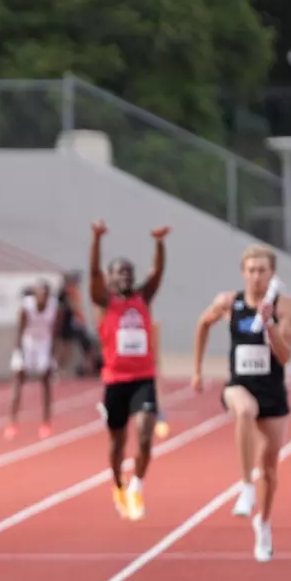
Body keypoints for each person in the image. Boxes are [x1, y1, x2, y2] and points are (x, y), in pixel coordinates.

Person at [193, 245, 291, 563]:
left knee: (269, 469)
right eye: (251, 270)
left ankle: (263, 524)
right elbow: (202, 324)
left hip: (272, 391)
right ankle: (244, 485)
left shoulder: (285, 305)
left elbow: (285, 355)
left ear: (272, 274)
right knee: (245, 410)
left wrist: (268, 325)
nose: (256, 276)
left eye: (262, 270)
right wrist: (197, 370)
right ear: (243, 272)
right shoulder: (230, 302)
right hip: (238, 385)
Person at [89, 221, 167, 521]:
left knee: (146, 435)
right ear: (110, 278)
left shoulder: (141, 299)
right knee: (117, 442)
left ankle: (137, 484)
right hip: (114, 381)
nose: (125, 276)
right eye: (119, 272)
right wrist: (96, 239)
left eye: (129, 272)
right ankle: (118, 484)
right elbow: (94, 272)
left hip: (142, 379)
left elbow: (157, 273)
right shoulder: (103, 301)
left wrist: (159, 243)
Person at [7, 280, 59, 439]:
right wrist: (19, 351)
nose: (43, 296)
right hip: (27, 342)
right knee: (18, 380)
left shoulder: (54, 307)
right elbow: (19, 329)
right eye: (40, 293)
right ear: (35, 294)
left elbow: (55, 330)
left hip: (44, 342)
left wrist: (52, 352)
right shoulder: (26, 306)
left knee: (45, 382)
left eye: (46, 294)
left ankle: (46, 422)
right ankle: (12, 422)